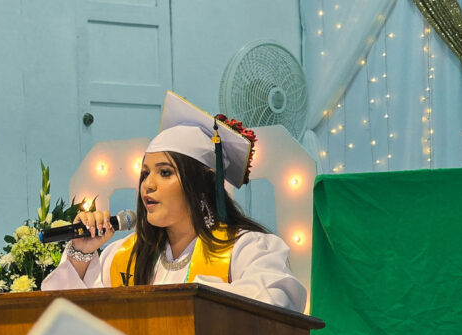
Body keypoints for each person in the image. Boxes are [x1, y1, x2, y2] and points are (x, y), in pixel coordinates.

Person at [42, 91, 307, 313]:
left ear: (202, 184)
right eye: (145, 173)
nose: (148, 184)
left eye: (165, 172)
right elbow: (71, 322)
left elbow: (276, 303)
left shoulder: (247, 249)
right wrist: (82, 253)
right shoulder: (123, 256)